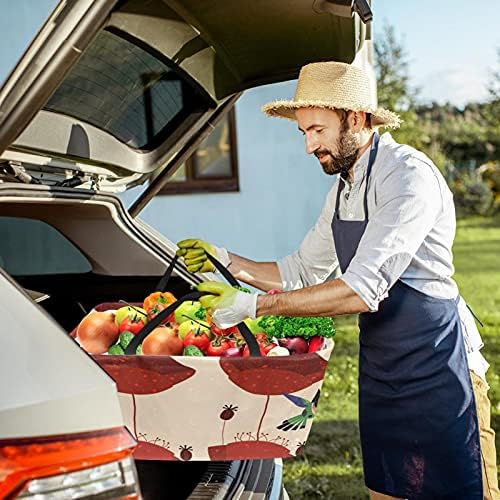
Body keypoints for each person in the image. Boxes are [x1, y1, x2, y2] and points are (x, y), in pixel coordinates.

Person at [176, 61, 499, 500]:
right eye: (304, 132)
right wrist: (228, 260)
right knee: (388, 490)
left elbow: (362, 289)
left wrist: (255, 306)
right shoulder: (344, 188)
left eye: (318, 130)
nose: (309, 146)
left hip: (438, 364)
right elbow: (302, 271)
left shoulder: (408, 178)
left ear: (357, 118)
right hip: (383, 364)